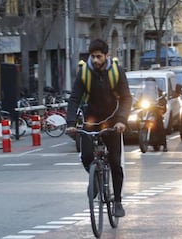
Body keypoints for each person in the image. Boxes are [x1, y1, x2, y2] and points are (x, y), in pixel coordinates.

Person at [66, 39, 132, 218]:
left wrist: (121, 120)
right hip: (91, 120)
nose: (95, 60)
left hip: (113, 122)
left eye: (98, 56)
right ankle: (95, 178)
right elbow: (74, 99)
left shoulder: (116, 72)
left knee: (116, 163)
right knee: (86, 155)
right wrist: (71, 123)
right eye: (92, 56)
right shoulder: (84, 73)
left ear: (106, 56)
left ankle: (117, 201)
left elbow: (126, 97)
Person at [138, 77, 168, 152]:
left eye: (151, 84)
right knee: (139, 120)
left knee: (160, 125)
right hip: (146, 110)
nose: (149, 86)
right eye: (148, 84)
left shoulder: (158, 91)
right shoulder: (143, 92)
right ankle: (142, 138)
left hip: (155, 109)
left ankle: (164, 145)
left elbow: (163, 99)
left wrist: (161, 104)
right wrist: (136, 102)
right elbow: (138, 98)